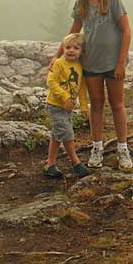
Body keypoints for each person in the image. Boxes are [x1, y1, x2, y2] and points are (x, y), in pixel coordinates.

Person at [52, 0, 133, 169]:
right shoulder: (81, 4)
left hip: (113, 62)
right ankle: (97, 147)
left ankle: (123, 148)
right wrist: (57, 56)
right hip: (90, 62)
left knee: (117, 105)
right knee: (96, 105)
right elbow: (74, 31)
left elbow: (126, 31)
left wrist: (121, 62)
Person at [44, 32, 90, 179]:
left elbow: (82, 88)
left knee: (57, 135)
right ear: (63, 49)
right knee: (67, 133)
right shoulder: (58, 64)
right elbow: (51, 82)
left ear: (81, 51)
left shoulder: (79, 67)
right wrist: (64, 98)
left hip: (67, 108)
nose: (71, 50)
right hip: (55, 105)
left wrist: (84, 107)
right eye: (68, 47)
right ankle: (76, 163)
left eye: (76, 48)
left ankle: (50, 165)